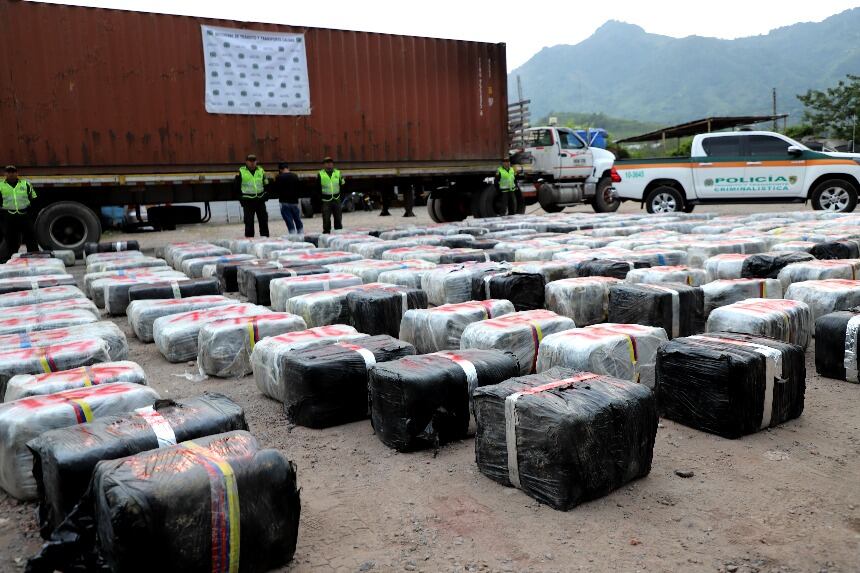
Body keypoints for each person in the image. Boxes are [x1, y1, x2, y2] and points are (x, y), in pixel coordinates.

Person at [0, 165, 39, 263]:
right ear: (5, 174)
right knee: (10, 239)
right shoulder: (0, 185)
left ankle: (35, 258)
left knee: (31, 237)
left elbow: (34, 198)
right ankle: (9, 260)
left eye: (13, 172)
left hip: (24, 215)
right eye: (8, 172)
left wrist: (31, 213)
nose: (11, 174)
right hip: (8, 216)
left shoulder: (25, 184)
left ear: (17, 173)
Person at [235, 154, 269, 238]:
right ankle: (249, 241)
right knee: (249, 223)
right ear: (246, 162)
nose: (252, 163)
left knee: (263, 221)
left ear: (256, 161)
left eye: (254, 161)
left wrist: (266, 195)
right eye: (250, 161)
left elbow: (266, 184)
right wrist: (241, 200)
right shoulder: (241, 172)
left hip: (260, 200)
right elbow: (236, 187)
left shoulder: (261, 171)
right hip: (248, 202)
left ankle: (265, 239)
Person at [272, 162, 303, 236]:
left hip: (284, 201)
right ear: (287, 168)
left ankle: (292, 233)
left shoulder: (279, 177)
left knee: (288, 219)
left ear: (280, 169)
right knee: (297, 218)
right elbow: (299, 189)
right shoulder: (295, 176)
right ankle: (301, 232)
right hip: (294, 202)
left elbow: (276, 189)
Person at [318, 156, 345, 234]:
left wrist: (342, 196)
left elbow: (342, 184)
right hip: (326, 200)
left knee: (338, 217)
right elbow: (317, 188)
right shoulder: (320, 174)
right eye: (327, 163)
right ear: (324, 165)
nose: (329, 164)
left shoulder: (338, 173)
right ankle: (326, 232)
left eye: (330, 162)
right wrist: (320, 198)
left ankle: (338, 231)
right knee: (326, 218)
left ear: (332, 164)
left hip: (336, 198)